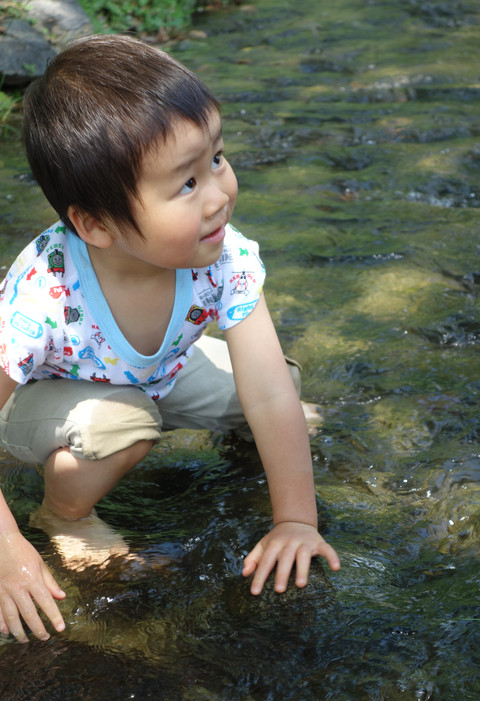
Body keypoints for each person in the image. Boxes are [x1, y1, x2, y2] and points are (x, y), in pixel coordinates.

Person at [0, 34, 340, 644]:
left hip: (157, 372)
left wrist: (295, 518)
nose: (218, 196)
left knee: (281, 388)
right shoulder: (44, 296)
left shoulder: (221, 255)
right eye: (185, 184)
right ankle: (63, 512)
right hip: (43, 397)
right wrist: (7, 549)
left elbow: (263, 391)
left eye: (216, 157)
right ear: (95, 224)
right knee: (123, 427)